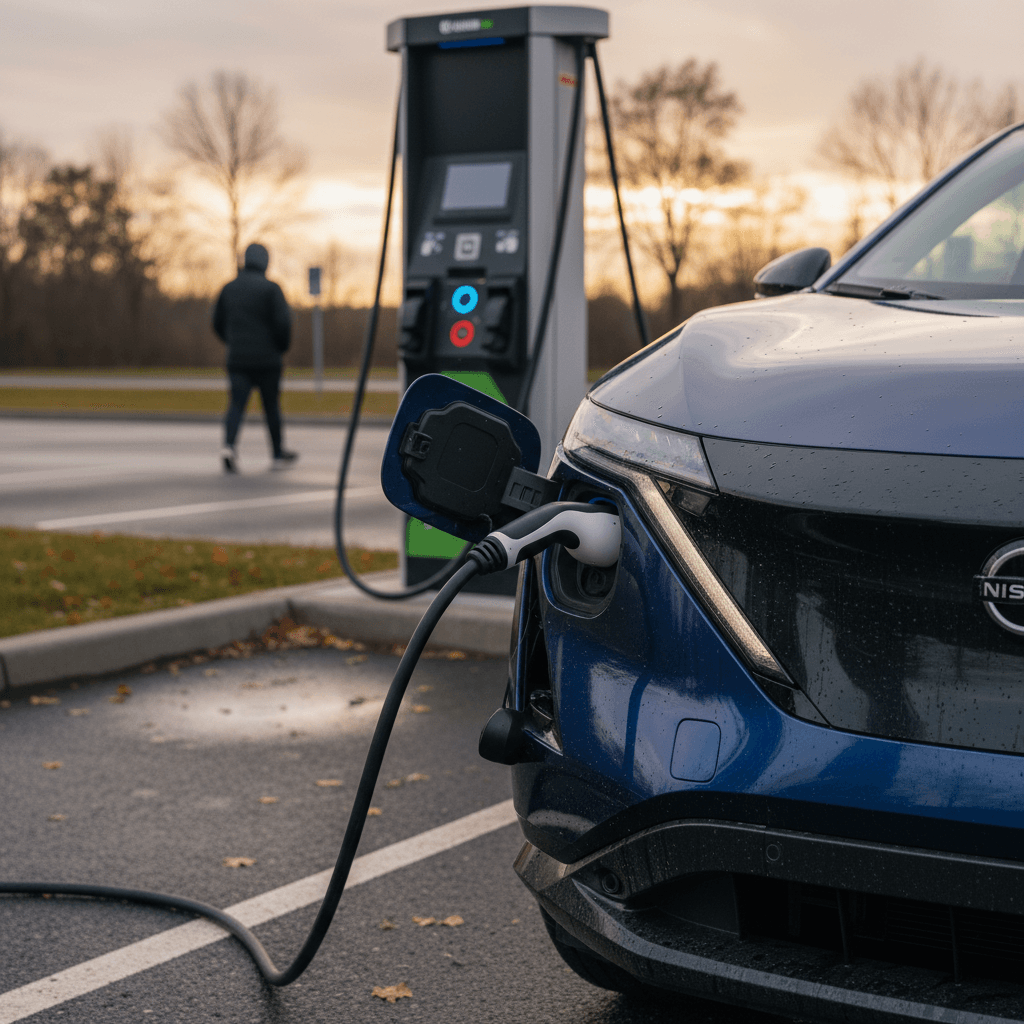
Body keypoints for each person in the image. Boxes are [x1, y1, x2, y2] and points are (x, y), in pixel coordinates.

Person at [212, 242, 298, 473]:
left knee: (236, 405)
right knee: (271, 407)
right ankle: (277, 453)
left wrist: (233, 342)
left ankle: (228, 447)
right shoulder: (271, 289)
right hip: (268, 360)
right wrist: (281, 347)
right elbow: (283, 324)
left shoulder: (228, 288)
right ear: (265, 262)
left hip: (238, 359)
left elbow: (217, 323)